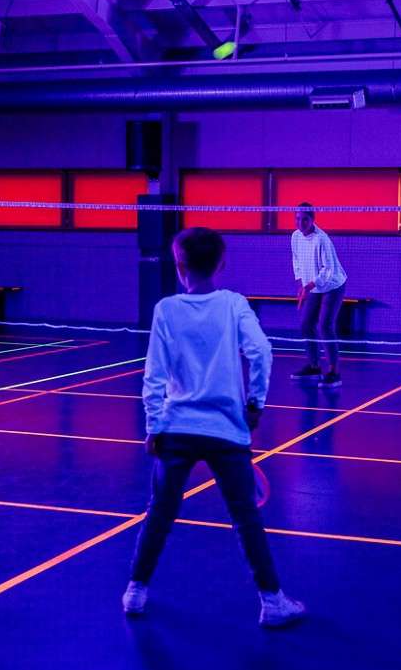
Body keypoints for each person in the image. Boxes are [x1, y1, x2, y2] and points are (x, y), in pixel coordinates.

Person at [125, 227, 305, 628]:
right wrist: (256, 402)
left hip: (176, 429)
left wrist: (154, 425)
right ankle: (272, 602)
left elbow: (154, 374)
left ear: (178, 265)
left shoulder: (166, 309)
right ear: (222, 264)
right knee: (245, 517)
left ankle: (136, 591)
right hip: (227, 430)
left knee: (160, 512)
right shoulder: (233, 304)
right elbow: (261, 351)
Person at [289, 202, 348, 388]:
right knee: (306, 324)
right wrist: (302, 285)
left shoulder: (322, 239)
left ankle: (333, 372)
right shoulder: (295, 237)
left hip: (332, 285)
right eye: (297, 219)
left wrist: (309, 286)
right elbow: (296, 261)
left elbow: (328, 270)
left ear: (312, 219)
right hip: (312, 286)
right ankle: (314, 366)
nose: (300, 223)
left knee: (325, 325)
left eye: (304, 219)